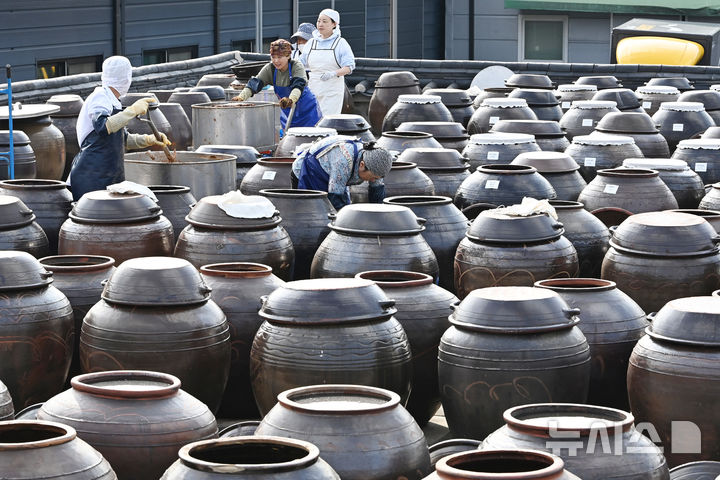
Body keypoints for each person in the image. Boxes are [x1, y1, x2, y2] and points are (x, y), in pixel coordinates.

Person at [69, 55, 171, 201]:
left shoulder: (113, 102)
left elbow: (123, 139)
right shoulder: (100, 97)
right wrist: (133, 110)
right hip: (91, 176)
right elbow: (103, 127)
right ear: (125, 77)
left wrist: (150, 139)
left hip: (110, 175)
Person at [232, 39, 321, 131]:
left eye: (279, 57)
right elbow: (254, 84)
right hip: (288, 112)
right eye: (273, 57)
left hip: (308, 111)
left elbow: (298, 87)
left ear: (288, 56)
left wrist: (291, 100)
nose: (276, 61)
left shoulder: (296, 66)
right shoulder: (270, 69)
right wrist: (241, 97)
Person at [291, 135, 393, 210]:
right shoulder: (343, 161)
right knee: (313, 211)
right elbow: (336, 198)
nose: (373, 180)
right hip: (308, 170)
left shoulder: (377, 162)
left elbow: (377, 196)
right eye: (373, 178)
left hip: (332, 175)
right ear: (362, 165)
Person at [300, 8, 355, 116]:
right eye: (319, 21)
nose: (320, 24)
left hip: (332, 90)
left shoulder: (340, 43)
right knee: (312, 119)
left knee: (327, 121)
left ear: (334, 24)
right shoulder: (311, 43)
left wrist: (333, 73)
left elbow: (349, 67)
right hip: (313, 86)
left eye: (325, 21)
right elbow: (301, 62)